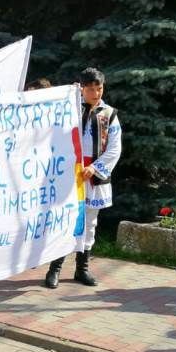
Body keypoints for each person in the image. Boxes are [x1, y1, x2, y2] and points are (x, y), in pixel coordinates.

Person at [44, 68, 121, 289]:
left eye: (99, 88)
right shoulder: (70, 109)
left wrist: (95, 169)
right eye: (90, 89)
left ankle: (82, 269)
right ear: (81, 88)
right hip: (70, 173)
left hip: (93, 176)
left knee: (89, 223)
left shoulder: (109, 115)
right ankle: (54, 269)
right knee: (65, 219)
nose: (96, 93)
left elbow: (115, 148)